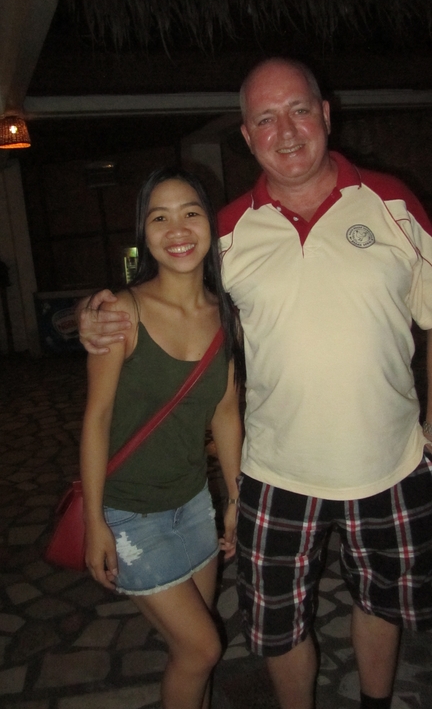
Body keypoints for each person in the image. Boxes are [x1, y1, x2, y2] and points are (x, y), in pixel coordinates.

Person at [77, 59, 432, 709]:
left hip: (391, 465)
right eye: (266, 118)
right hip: (275, 473)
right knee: (276, 627)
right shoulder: (227, 233)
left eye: (299, 110)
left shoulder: (393, 204)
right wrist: (92, 314)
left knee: (382, 603)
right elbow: (169, 288)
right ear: (246, 136)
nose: (286, 131)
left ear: (326, 114)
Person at [79, 166, 243, 709]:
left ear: (210, 224)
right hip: (130, 515)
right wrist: (95, 521)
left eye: (190, 213)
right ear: (144, 233)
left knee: (193, 649)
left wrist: (235, 498)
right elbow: (97, 419)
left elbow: (225, 412)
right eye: (159, 217)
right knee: (202, 649)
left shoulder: (224, 313)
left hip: (193, 504)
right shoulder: (121, 313)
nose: (177, 229)